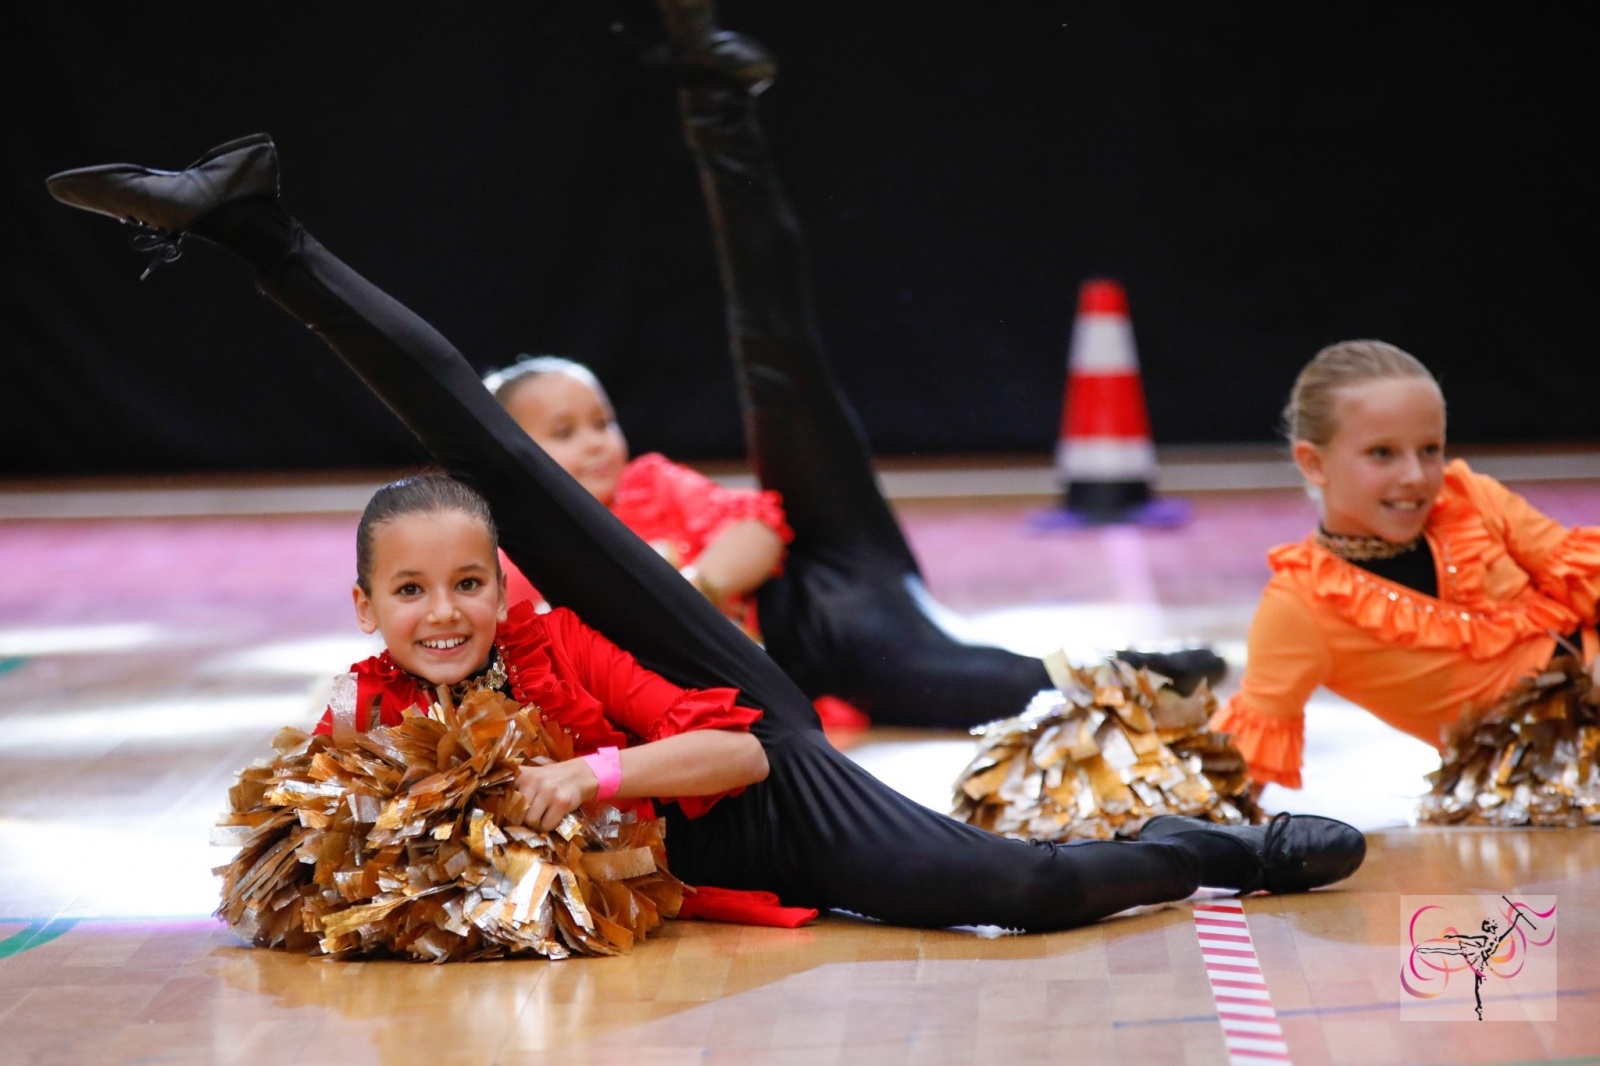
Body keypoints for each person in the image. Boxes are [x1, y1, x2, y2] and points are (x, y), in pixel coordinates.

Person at [44, 132, 1367, 928]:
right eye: (410, 592)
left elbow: (732, 752)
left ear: (501, 586)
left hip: (768, 776)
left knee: (1021, 897)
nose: (443, 610)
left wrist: (589, 780)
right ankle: (250, 219)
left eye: (466, 582)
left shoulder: (552, 636)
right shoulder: (362, 723)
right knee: (1017, 875)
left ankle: (1226, 850)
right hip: (691, 852)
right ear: (365, 609)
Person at [471, 5, 1226, 729]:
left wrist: (693, 583)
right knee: (995, 688)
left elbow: (759, 533)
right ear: (518, 459)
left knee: (778, 354)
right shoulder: (523, 565)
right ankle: (1139, 675)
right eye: (564, 432)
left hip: (831, 559)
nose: (596, 441)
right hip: (844, 658)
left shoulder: (651, 484)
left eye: (601, 421)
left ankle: (715, 96)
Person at [1208, 340, 1600, 791]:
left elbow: (1584, 576)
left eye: (1430, 450)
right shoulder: (1300, 605)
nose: (1415, 475)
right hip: (1545, 782)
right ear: (1313, 463)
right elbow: (1240, 768)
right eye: (1382, 453)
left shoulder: (1471, 500)